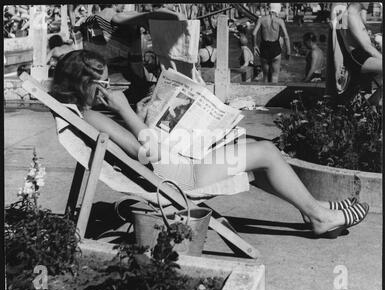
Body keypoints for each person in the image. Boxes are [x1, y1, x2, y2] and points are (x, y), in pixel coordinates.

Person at [50, 49, 369, 238]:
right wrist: (124, 111)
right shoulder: (94, 118)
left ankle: (311, 207)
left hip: (173, 166)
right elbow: (148, 153)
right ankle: (319, 216)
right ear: (86, 84)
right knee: (265, 152)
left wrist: (139, 115)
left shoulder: (85, 113)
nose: (111, 86)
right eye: (104, 81)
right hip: (176, 176)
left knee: (251, 158)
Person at [345, 2, 382, 105]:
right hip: (358, 58)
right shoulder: (351, 14)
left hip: (362, 55)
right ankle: (371, 104)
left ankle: (372, 104)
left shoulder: (355, 15)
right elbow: (367, 47)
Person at [252, 3, 291, 83]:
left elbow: (253, 33)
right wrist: (288, 51)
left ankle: (265, 93)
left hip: (264, 48)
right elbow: (286, 37)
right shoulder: (280, 21)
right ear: (278, 10)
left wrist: (254, 45)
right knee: (275, 76)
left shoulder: (261, 19)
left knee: (265, 75)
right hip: (275, 48)